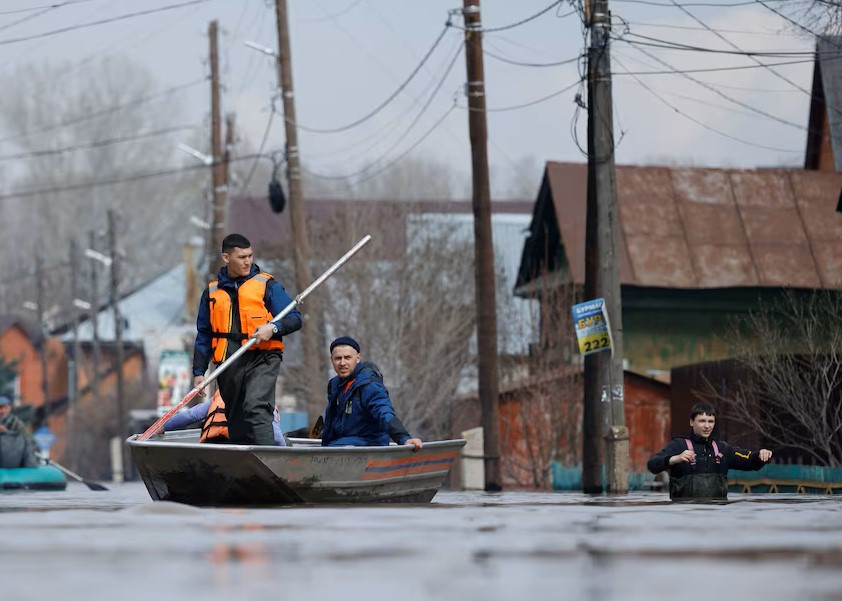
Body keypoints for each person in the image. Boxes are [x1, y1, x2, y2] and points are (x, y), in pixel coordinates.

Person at [193, 233, 302, 445]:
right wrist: (199, 371)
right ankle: (245, 467)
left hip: (263, 356)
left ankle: (268, 461)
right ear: (226, 258)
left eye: (250, 256)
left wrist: (273, 328)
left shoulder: (266, 285)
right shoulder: (212, 292)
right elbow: (204, 333)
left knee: (256, 405)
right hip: (228, 361)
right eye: (242, 257)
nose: (248, 261)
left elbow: (295, 318)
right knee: (236, 418)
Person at [647, 402, 773, 500]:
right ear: (691, 422)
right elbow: (652, 465)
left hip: (717, 514)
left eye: (710, 421)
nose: (707, 426)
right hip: (685, 514)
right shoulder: (678, 445)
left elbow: (750, 461)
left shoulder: (723, 449)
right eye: (702, 421)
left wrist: (761, 456)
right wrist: (675, 459)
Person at [321, 336, 422, 450]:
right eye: (338, 358)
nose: (342, 363)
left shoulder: (369, 384)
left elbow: (384, 412)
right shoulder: (335, 385)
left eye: (347, 357)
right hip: (341, 443)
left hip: (369, 444)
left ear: (358, 358)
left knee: (332, 449)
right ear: (332, 360)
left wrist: (403, 438)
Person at [161, 390, 287, 446]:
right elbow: (275, 436)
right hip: (242, 451)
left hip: (211, 445)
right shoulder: (264, 400)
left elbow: (191, 415)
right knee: (286, 442)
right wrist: (284, 451)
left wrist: (163, 427)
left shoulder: (222, 395)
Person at [0, 396, 38, 469]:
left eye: (2, 408)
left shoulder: (16, 423)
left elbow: (31, 442)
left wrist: (6, 433)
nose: (0, 411)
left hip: (15, 463)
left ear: (8, 408)